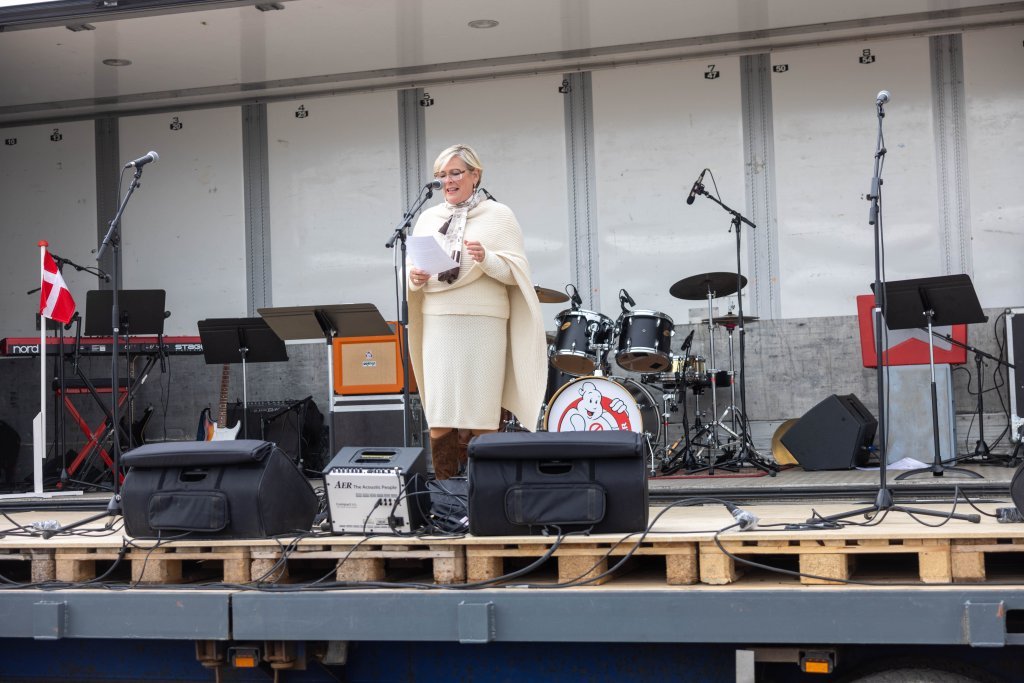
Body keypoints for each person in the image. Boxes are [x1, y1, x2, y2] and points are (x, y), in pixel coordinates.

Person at [406, 144, 547, 479]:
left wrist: (487, 258)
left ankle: (488, 491)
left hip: (484, 324)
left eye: (455, 173)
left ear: (475, 174)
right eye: (441, 175)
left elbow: (517, 273)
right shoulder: (427, 219)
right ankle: (445, 490)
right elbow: (411, 269)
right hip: (438, 323)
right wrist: (414, 278)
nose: (448, 181)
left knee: (483, 413)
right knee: (440, 413)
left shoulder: (500, 216)